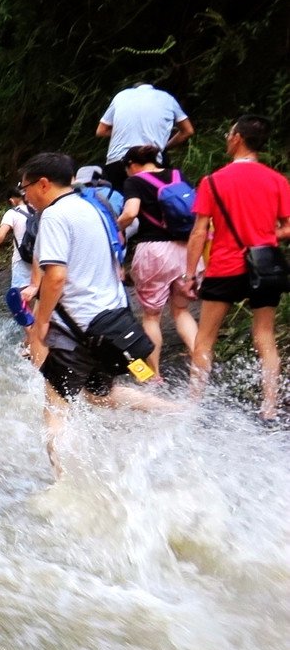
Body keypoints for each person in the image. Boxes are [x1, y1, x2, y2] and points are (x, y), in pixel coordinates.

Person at [22, 152, 171, 472]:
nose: (26, 195)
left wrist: (40, 326)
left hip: (75, 326)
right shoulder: (95, 207)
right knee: (99, 393)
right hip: (113, 321)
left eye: (26, 188)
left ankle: (64, 483)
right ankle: (174, 410)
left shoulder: (53, 216)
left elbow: (56, 276)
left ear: (43, 184)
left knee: (55, 406)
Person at [184, 115, 290, 422]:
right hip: (265, 266)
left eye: (230, 133)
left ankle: (194, 403)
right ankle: (269, 407)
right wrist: (265, 236)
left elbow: (199, 232)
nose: (227, 137)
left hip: (225, 267)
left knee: (205, 339)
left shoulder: (213, 181)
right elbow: (287, 228)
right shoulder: (277, 180)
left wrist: (190, 274)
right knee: (265, 336)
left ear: (238, 139)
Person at [116, 145, 197, 379]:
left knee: (152, 316)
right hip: (185, 249)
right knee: (181, 310)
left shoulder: (135, 182)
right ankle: (200, 362)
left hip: (154, 252)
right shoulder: (177, 175)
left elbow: (131, 213)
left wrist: (115, 227)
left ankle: (154, 376)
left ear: (132, 165)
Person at [97, 80, 194, 188]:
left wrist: (124, 131)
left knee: (118, 201)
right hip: (151, 163)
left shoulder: (121, 96)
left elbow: (101, 131)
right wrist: (164, 147)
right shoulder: (167, 98)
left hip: (118, 162)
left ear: (133, 89)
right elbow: (188, 131)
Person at [0, 186, 40, 347]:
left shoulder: (12, 213)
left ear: (12, 200)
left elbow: (0, 235)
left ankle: (32, 340)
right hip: (40, 260)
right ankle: (36, 337)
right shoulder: (37, 209)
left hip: (21, 261)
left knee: (19, 302)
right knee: (38, 300)